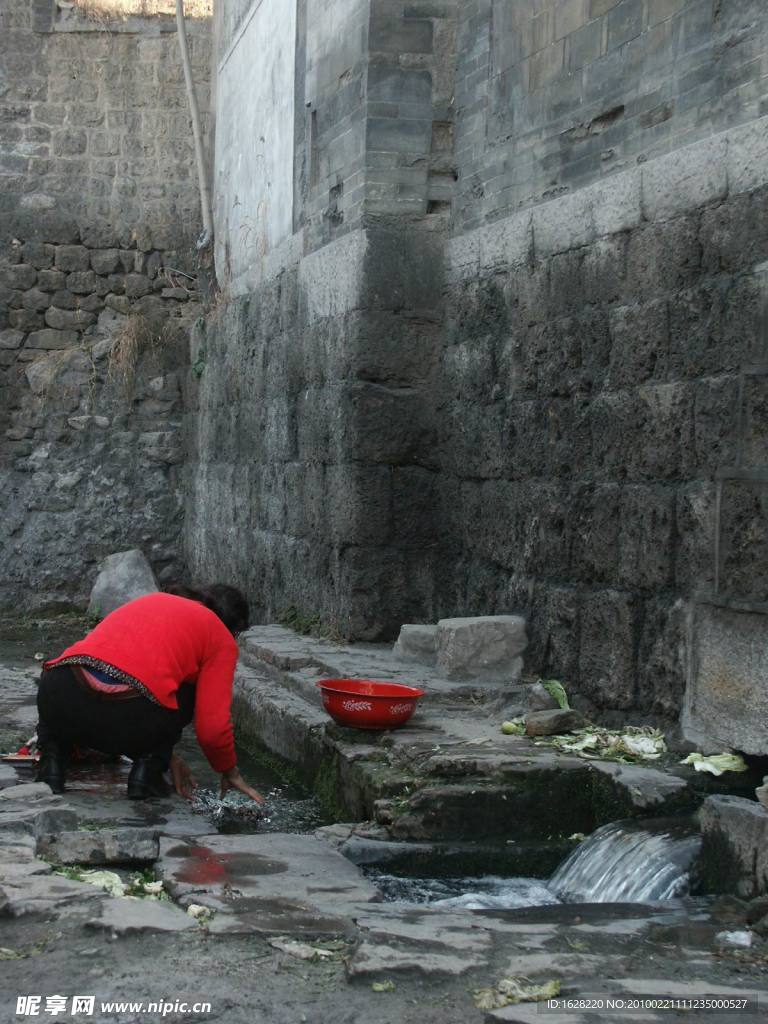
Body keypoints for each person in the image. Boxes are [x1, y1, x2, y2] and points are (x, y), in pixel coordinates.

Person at [36, 584, 265, 805]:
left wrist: (171, 756)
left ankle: (52, 762)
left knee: (72, 675)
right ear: (234, 630)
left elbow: (120, 674)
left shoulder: (152, 600)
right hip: (132, 718)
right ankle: (147, 771)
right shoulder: (220, 635)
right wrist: (229, 771)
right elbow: (212, 731)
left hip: (60, 696)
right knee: (187, 690)